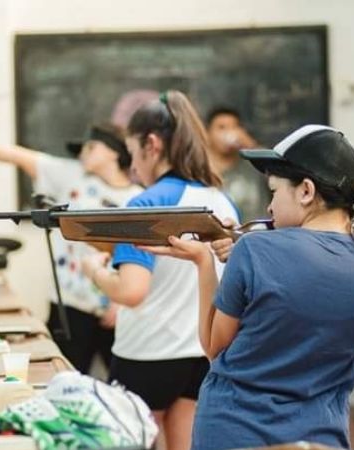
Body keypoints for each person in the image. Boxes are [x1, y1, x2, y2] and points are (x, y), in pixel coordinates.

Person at [142, 125, 354, 449]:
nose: (269, 207)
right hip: (322, 436)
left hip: (236, 431)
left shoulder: (255, 251)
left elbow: (214, 347)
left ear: (306, 191)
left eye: (274, 192)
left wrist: (204, 263)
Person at [81, 91, 239, 450]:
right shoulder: (219, 198)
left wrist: (94, 270)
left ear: (151, 145)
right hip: (200, 353)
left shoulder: (143, 205)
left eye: (133, 153)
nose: (133, 167)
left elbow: (131, 292)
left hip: (148, 353)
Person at [0, 123, 142, 374]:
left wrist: (120, 301)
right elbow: (17, 156)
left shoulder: (138, 197)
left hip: (117, 309)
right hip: (70, 305)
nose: (83, 153)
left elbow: (143, 258)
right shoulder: (72, 176)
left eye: (91, 146)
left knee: (124, 384)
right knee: (61, 376)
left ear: (114, 153)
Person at [205, 106, 270, 221]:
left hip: (256, 234)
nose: (228, 132)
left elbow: (279, 171)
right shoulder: (201, 170)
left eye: (234, 127)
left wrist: (251, 145)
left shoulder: (254, 165)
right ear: (207, 134)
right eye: (221, 128)